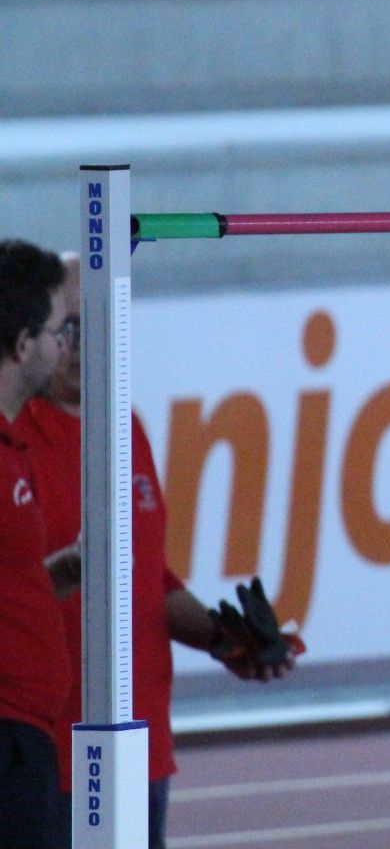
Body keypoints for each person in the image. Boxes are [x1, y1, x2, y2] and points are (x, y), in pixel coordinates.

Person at [18, 255, 297, 849]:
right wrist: (68, 570)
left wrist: (225, 640)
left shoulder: (127, 428)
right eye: (68, 327)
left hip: (139, 744)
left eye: (99, 324)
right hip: (51, 750)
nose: (82, 345)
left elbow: (149, 579)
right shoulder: (13, 439)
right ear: (35, 336)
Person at [0, 240, 72, 849]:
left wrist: (61, 572)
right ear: (23, 345)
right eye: (58, 330)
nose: (64, 346)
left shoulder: (12, 443)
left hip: (29, 732)